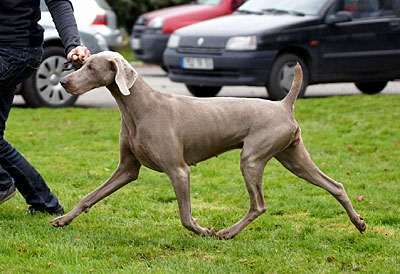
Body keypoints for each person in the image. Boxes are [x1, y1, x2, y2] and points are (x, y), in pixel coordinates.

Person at [0, 0, 91, 214]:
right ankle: (44, 203)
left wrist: (72, 44)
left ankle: (4, 182)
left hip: (13, 51)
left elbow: (58, 3)